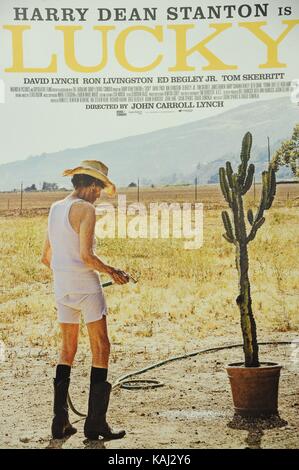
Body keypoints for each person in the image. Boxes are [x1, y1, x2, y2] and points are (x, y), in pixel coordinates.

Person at [41, 160, 129, 440]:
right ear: (91, 185)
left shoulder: (55, 208)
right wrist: (113, 272)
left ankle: (60, 421)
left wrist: (64, 274)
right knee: (101, 347)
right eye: (100, 188)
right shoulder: (86, 209)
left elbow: (46, 257)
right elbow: (86, 257)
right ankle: (96, 424)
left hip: (62, 286)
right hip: (86, 286)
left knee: (67, 349)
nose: (100, 194)